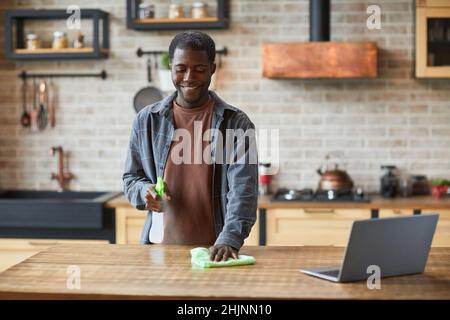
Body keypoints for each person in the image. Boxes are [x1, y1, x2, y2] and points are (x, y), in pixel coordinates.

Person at [123, 30, 258, 262]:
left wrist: (229, 240)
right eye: (181, 69)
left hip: (214, 252)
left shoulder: (236, 123)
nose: (189, 77)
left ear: (212, 69)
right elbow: (131, 178)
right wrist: (144, 191)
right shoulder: (147, 120)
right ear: (172, 69)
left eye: (199, 69)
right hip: (158, 250)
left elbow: (244, 192)